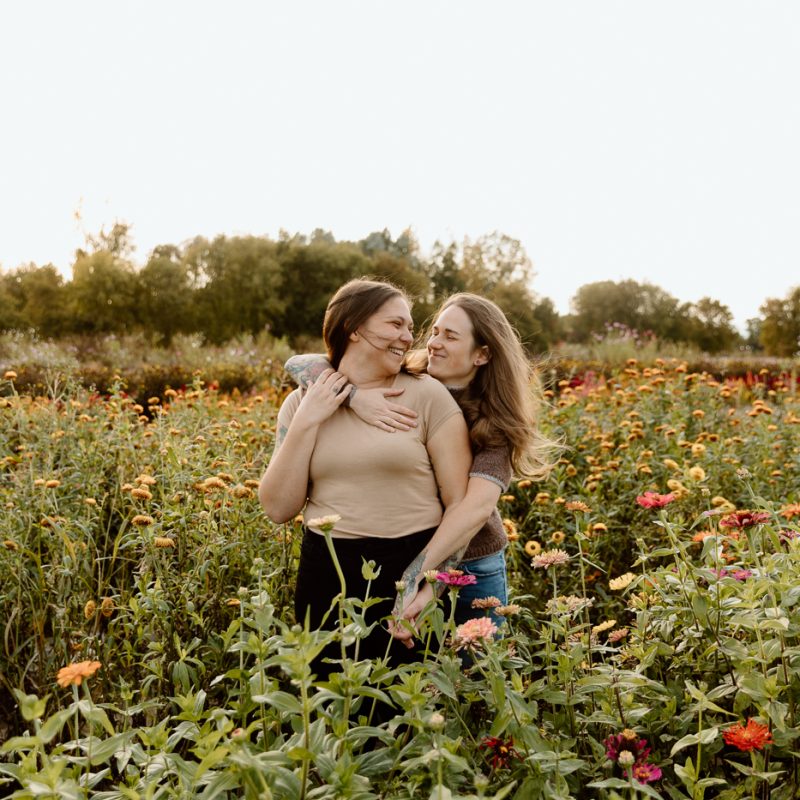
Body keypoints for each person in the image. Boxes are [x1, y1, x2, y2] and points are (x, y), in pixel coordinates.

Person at [285, 293, 556, 645]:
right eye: (435, 332)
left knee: (472, 675)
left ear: (483, 354)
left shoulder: (496, 422)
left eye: (450, 336)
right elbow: (300, 362)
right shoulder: (408, 376)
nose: (433, 344)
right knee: (420, 673)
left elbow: (471, 511)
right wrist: (355, 396)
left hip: (471, 564)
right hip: (413, 554)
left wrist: (424, 581)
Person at [258, 279, 471, 673]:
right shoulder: (301, 402)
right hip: (327, 572)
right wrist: (309, 418)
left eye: (409, 327)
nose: (408, 337)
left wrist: (430, 585)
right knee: (332, 710)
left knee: (408, 713)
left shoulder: (426, 395)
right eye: (395, 325)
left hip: (407, 566)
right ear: (353, 328)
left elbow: (460, 504)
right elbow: (278, 508)